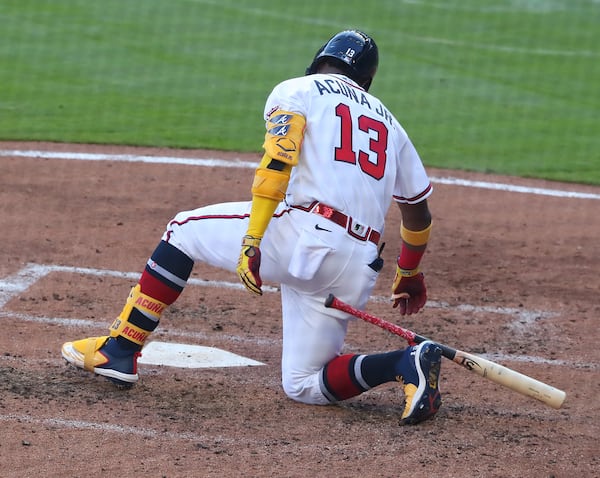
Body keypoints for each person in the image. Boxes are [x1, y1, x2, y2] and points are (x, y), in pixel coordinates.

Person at [62, 30, 442, 425]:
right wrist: (409, 273)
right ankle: (405, 362)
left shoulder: (298, 89)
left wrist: (252, 239)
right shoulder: (391, 124)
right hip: (359, 263)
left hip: (304, 237)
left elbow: (277, 164)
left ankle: (119, 349)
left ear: (319, 60)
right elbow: (418, 215)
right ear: (366, 80)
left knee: (182, 231)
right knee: (303, 383)